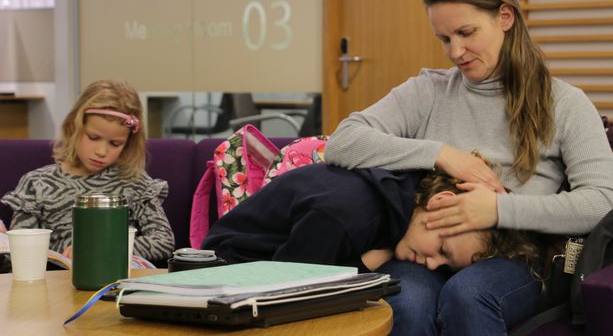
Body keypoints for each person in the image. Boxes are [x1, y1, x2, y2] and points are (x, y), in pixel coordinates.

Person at [323, 0, 613, 335]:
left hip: (514, 257)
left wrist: (497, 209)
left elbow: (604, 201)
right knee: (407, 301)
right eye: (445, 39)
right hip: (424, 252)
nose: (455, 51)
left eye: (466, 32)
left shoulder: (563, 102)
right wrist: (441, 154)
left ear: (504, 17)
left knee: (468, 295)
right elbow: (342, 142)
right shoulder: (428, 91)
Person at [202, 160, 538, 273]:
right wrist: (365, 265)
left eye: (445, 266)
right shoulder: (344, 217)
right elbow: (287, 294)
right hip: (226, 270)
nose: (433, 264)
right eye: (443, 250)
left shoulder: (400, 195)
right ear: (441, 202)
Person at [0, 80, 175, 262]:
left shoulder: (134, 182)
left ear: (128, 143)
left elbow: (163, 241)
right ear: (73, 126)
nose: (101, 151)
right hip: (57, 282)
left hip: (115, 282)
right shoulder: (37, 183)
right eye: (93, 137)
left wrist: (102, 248)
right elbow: (19, 254)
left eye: (115, 143)